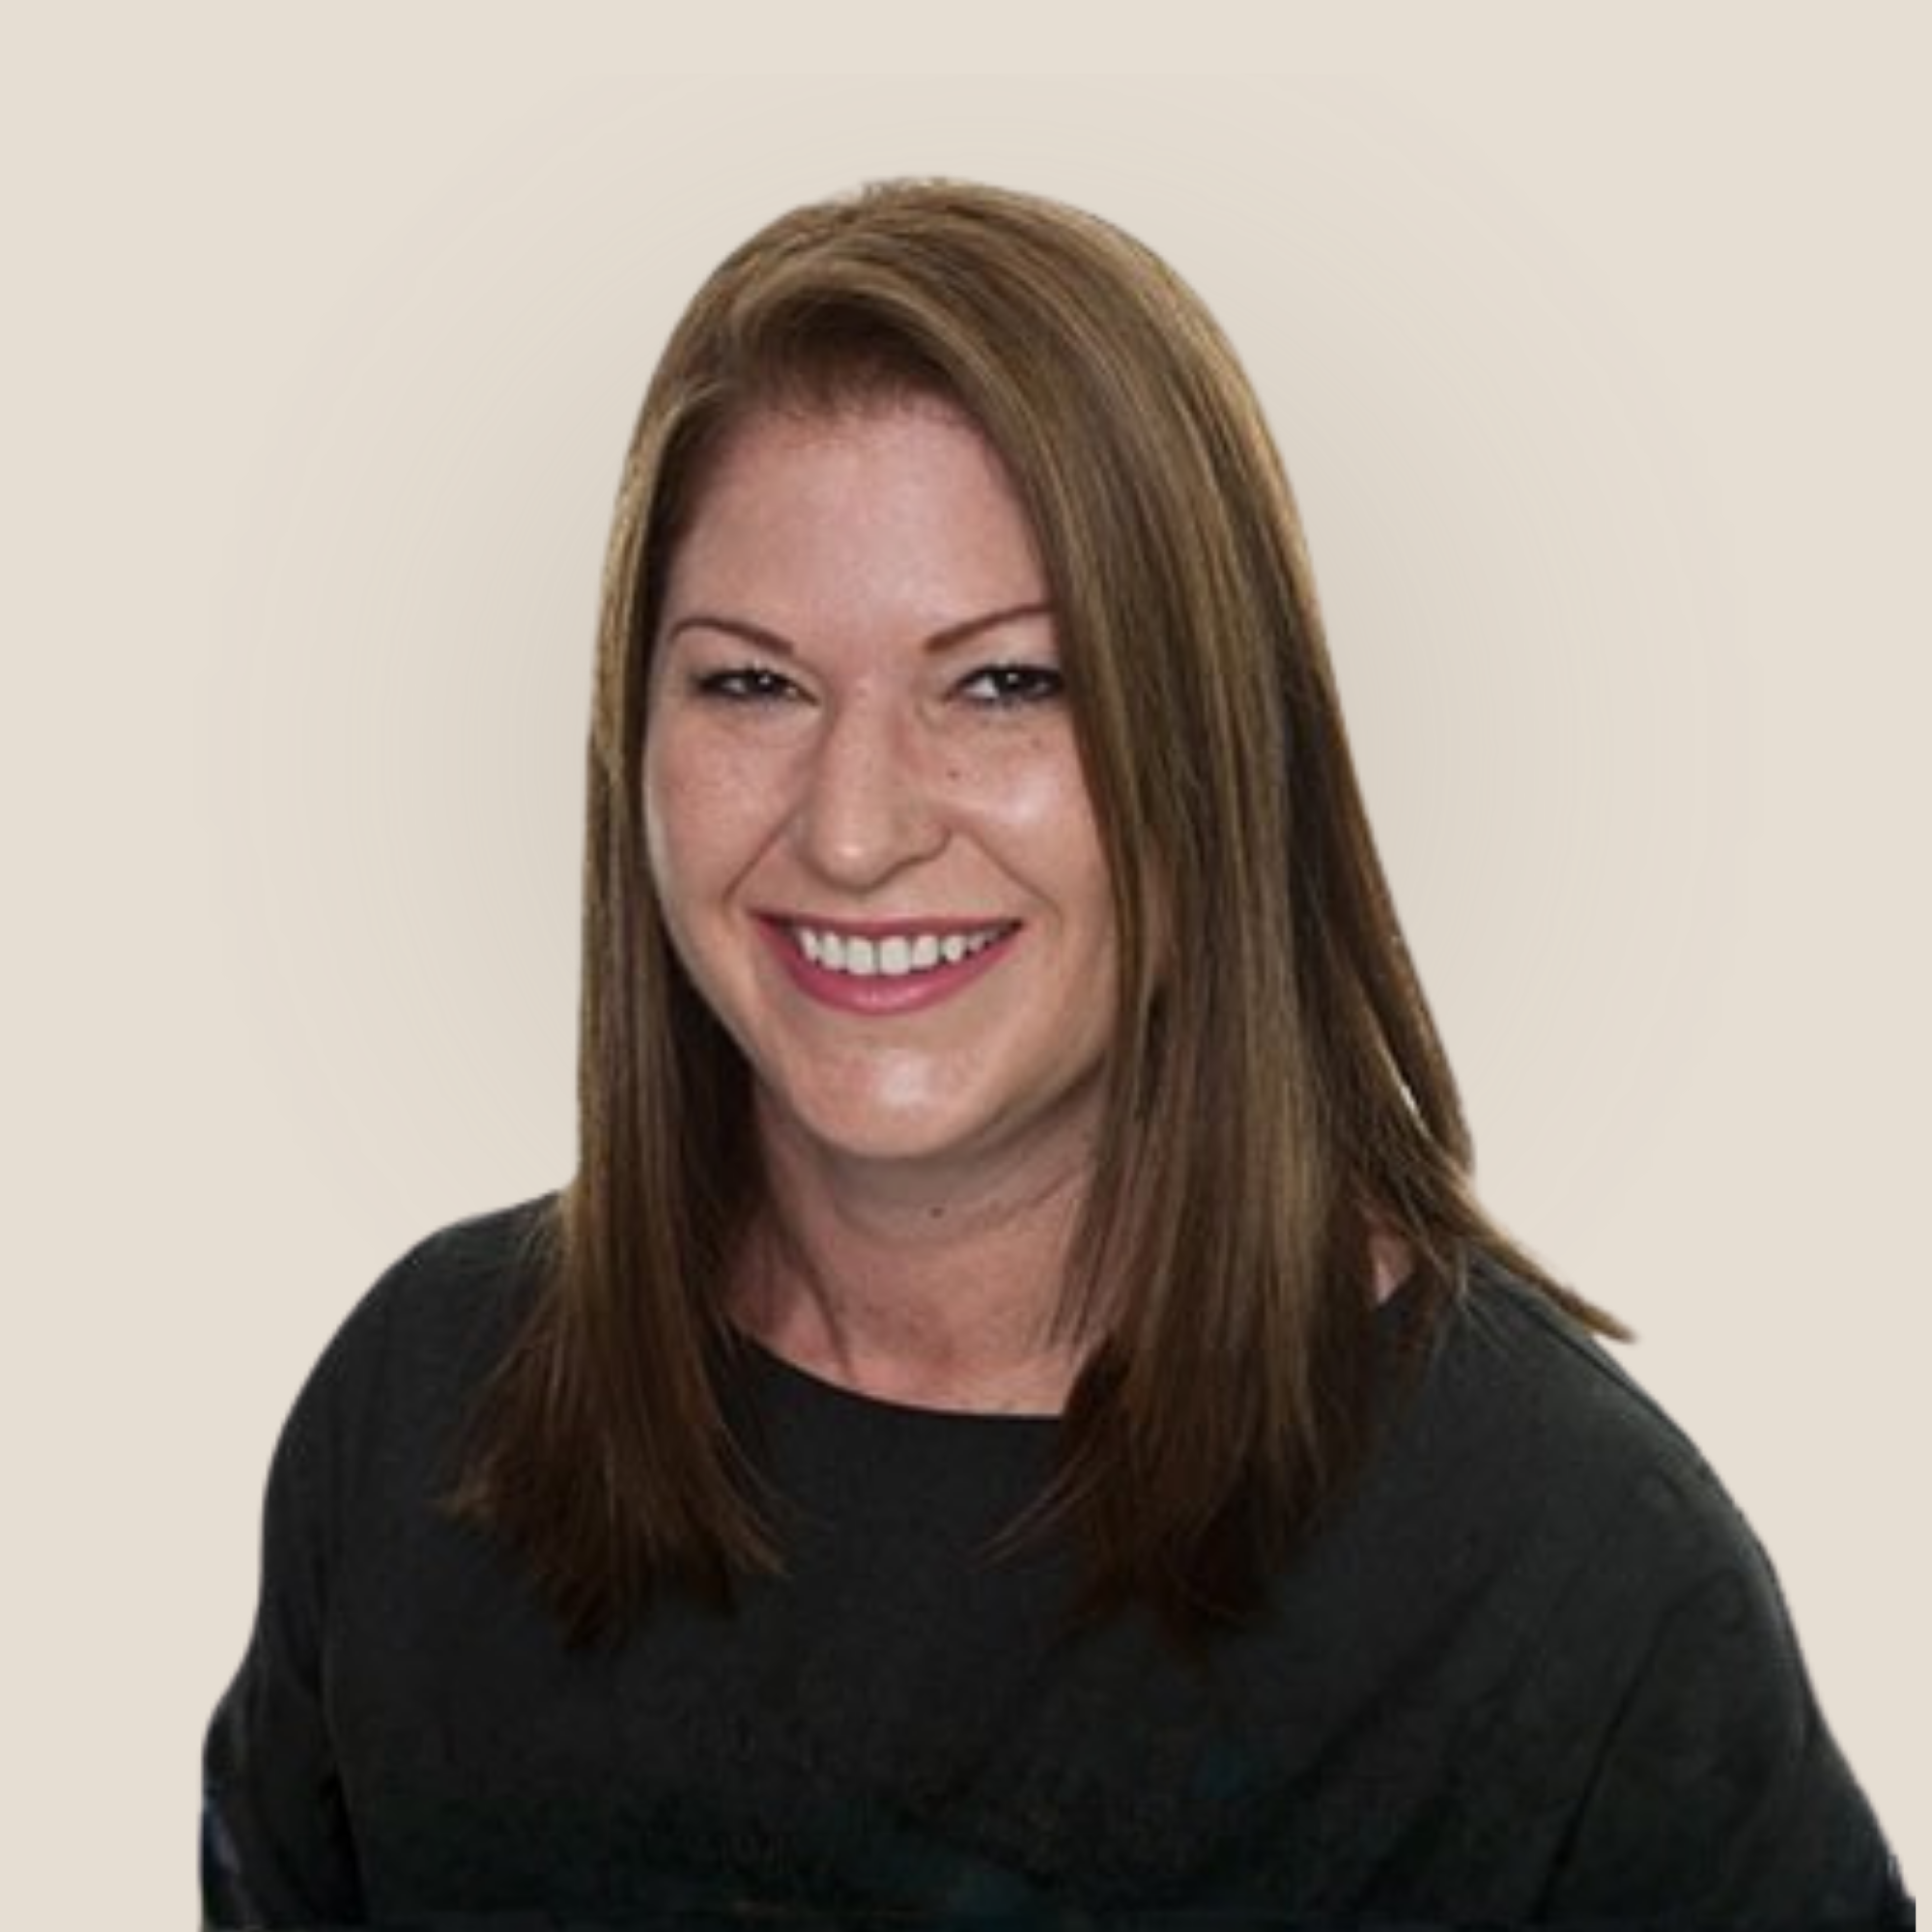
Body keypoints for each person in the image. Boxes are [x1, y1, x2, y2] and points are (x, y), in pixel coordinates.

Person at [202, 179, 1910, 1930]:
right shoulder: (426, 1417)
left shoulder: (1576, 1585)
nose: (854, 831)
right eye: (752, 685)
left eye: (1006, 684)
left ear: (1216, 748)